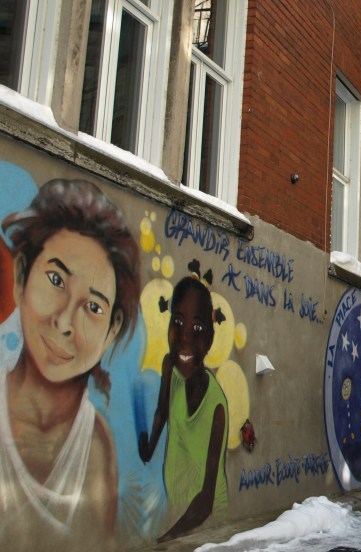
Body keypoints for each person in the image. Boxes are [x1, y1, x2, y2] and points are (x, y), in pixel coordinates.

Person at [0, 178, 141, 550]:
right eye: (55, 279)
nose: (65, 323)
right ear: (20, 277)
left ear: (111, 331)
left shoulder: (96, 446)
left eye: (93, 307)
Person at [139, 265, 229, 542]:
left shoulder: (216, 408)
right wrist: (148, 448)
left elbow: (206, 501)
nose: (185, 336)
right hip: (174, 505)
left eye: (198, 327)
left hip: (207, 523)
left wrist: (167, 539)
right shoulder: (171, 368)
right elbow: (162, 411)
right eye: (177, 322)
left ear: (211, 339)